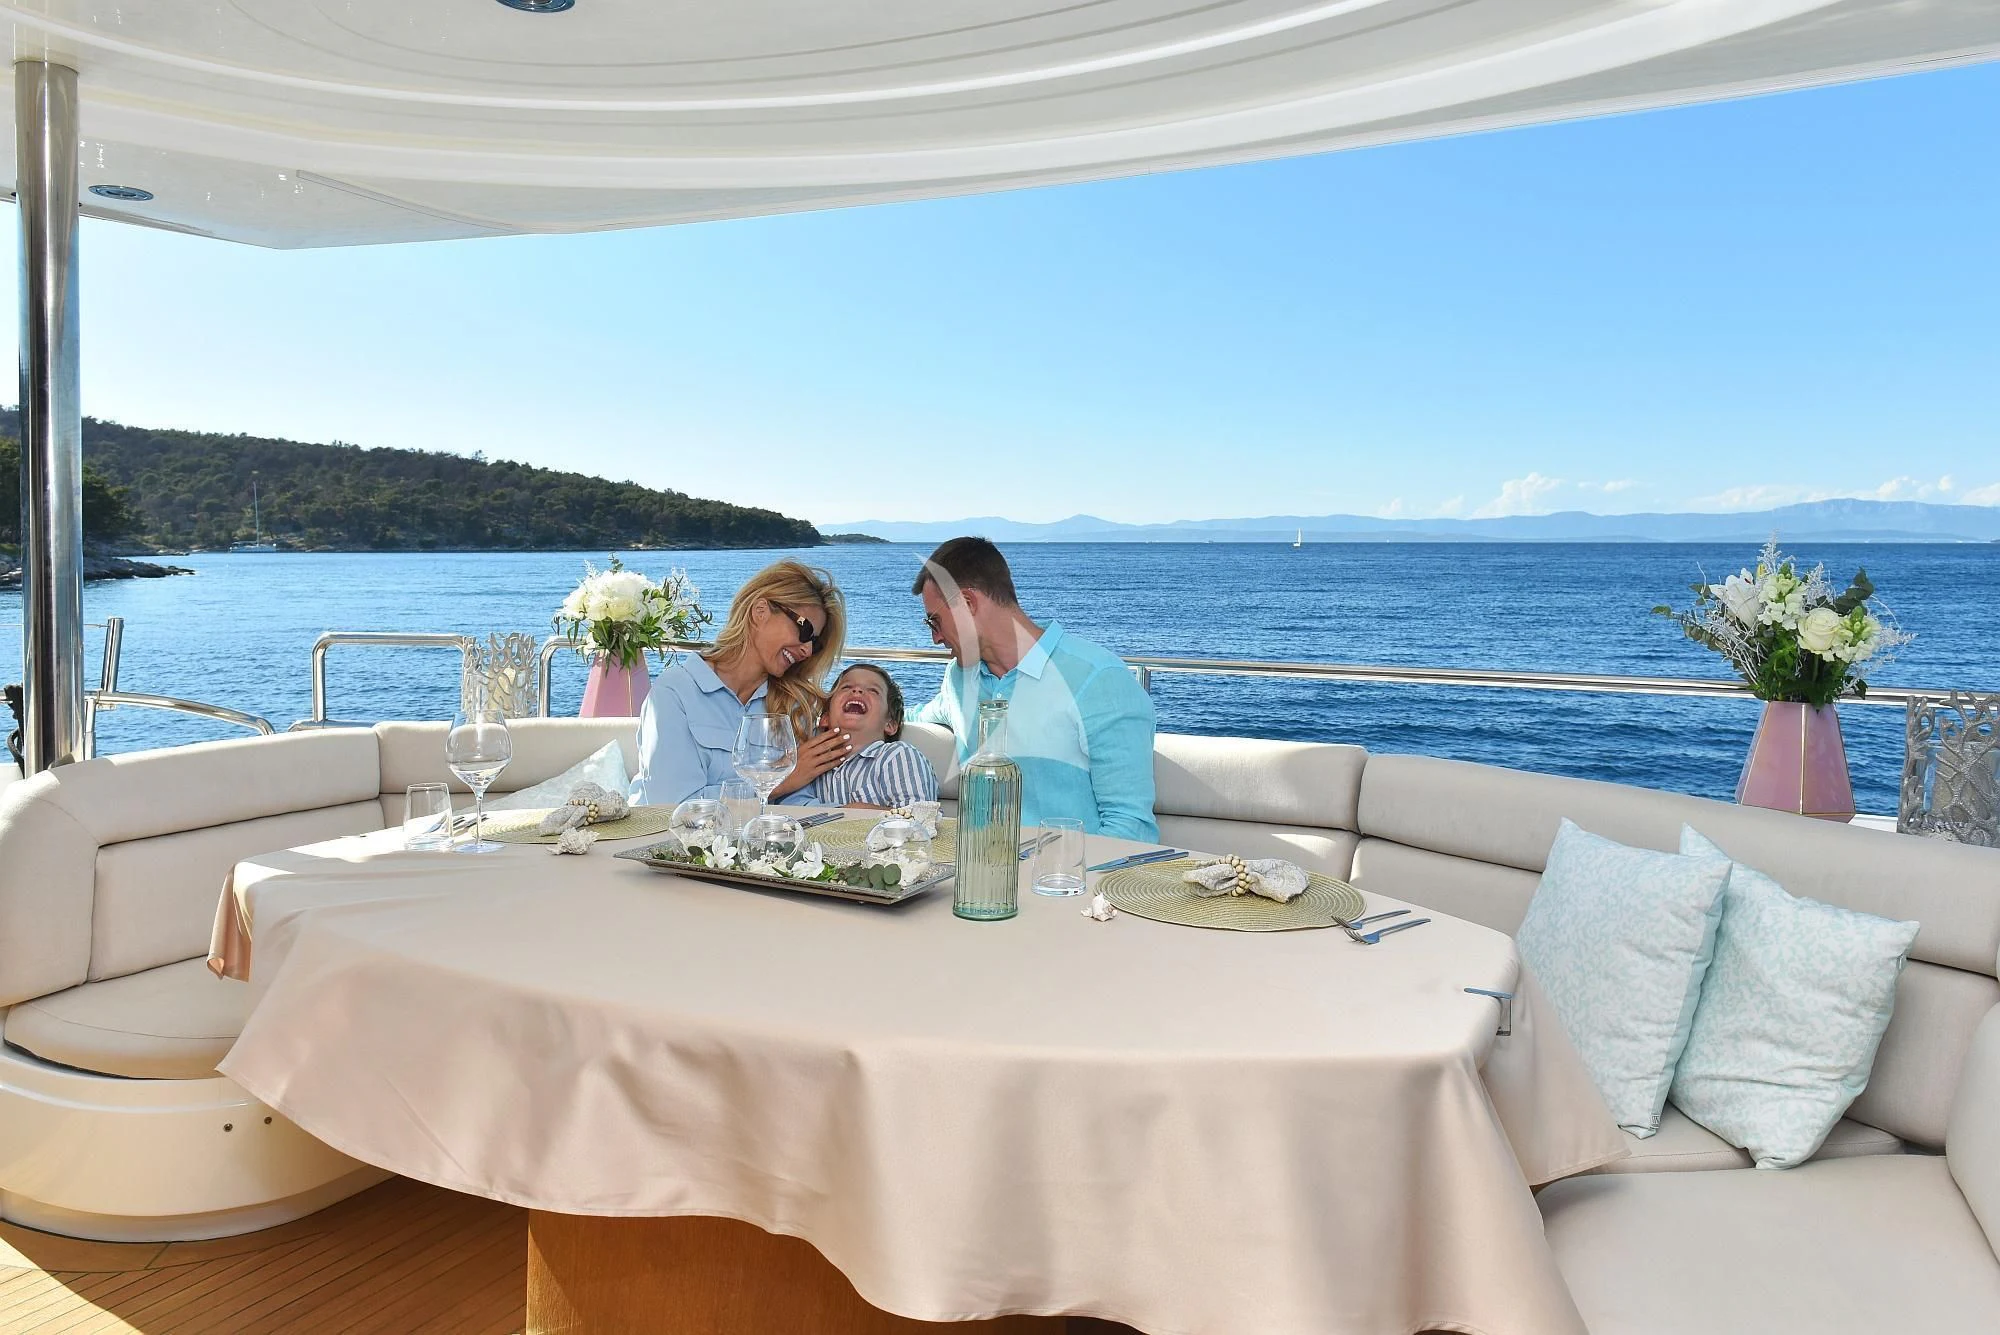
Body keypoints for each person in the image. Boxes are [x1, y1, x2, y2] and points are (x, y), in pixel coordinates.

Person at [910, 537, 1158, 841]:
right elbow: (919, 714)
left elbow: (1131, 829)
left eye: (934, 622)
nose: (935, 638)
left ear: (968, 603)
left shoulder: (1099, 679)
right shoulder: (959, 678)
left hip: (1062, 882)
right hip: (977, 874)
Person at [631, 561, 853, 806]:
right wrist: (779, 780)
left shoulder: (794, 704)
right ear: (760, 611)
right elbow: (672, 805)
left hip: (761, 841)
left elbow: (800, 802)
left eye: (816, 644)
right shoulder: (675, 693)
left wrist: (858, 815)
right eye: (805, 630)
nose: (808, 650)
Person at [785, 663, 939, 810]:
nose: (857, 690)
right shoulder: (810, 762)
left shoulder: (898, 756)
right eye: (846, 687)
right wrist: (845, 810)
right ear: (825, 718)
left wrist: (858, 813)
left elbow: (920, 818)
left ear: (890, 724)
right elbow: (793, 808)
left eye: (873, 690)